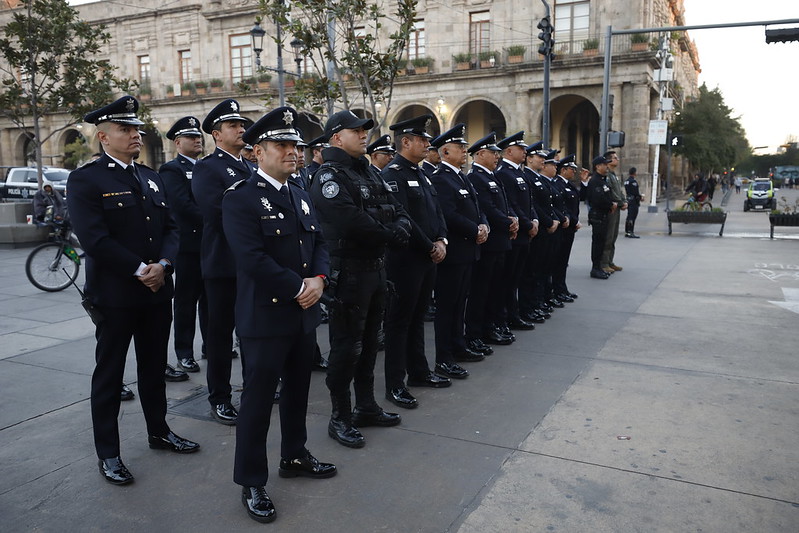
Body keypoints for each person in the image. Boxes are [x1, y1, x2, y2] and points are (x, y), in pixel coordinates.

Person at [66, 96, 200, 486]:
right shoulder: (86, 179)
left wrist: (165, 265)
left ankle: (159, 431)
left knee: (153, 370)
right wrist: (141, 269)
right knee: (109, 376)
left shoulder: (150, 176)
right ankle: (108, 452)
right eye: (125, 129)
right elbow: (94, 238)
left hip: (157, 292)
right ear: (103, 137)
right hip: (116, 296)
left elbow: (172, 228)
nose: (134, 135)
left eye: (136, 129)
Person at [223, 107, 336, 524]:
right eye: (283, 145)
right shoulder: (240, 198)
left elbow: (320, 242)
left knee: (298, 392)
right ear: (258, 152)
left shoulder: (300, 193)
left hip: (304, 312)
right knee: (257, 400)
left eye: (296, 145)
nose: (293, 152)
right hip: (266, 317)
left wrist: (320, 279)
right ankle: (251, 480)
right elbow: (250, 259)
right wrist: (298, 287)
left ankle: (294, 454)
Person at [309, 110, 410, 449]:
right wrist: (389, 234)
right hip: (348, 274)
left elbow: (395, 207)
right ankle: (340, 416)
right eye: (357, 131)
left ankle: (366, 405)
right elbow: (350, 219)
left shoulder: (367, 170)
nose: (364, 134)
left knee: (369, 343)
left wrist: (401, 228)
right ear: (337, 138)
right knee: (347, 347)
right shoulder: (329, 176)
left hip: (375, 270)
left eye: (365, 130)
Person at [381, 115, 450, 410]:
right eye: (422, 140)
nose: (427, 144)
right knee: (398, 323)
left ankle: (419, 372)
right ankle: (395, 383)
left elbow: (437, 213)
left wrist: (443, 239)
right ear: (405, 142)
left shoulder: (422, 173)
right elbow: (403, 218)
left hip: (427, 258)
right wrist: (429, 245)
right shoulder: (393, 175)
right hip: (406, 261)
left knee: (418, 319)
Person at [191, 99, 253, 426]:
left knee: (252, 329)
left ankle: (254, 387)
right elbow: (216, 213)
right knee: (220, 336)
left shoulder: (250, 166)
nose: (241, 129)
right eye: (233, 125)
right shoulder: (207, 168)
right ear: (217, 133)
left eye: (242, 124)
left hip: (251, 266)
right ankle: (220, 397)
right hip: (224, 265)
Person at [429, 124, 489, 373]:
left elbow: (476, 206)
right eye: (460, 147)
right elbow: (449, 215)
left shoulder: (461, 176)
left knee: (459, 304)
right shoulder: (441, 179)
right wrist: (474, 229)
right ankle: (444, 357)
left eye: (465, 147)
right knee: (447, 307)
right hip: (453, 254)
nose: (465, 151)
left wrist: (483, 224)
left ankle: (458, 345)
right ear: (445, 151)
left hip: (468, 252)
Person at [160, 116, 206, 376]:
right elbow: (182, 206)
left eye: (198, 136)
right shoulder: (172, 170)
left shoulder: (205, 167)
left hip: (210, 244)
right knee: (186, 302)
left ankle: (210, 346)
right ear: (178, 143)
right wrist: (216, 217)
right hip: (188, 246)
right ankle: (184, 352)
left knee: (210, 301)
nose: (197, 139)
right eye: (191, 137)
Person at [465, 132, 518, 352]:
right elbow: (487, 208)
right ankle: (478, 332)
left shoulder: (492, 176)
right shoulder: (476, 176)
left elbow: (504, 204)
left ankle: (492, 325)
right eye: (492, 153)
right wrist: (508, 222)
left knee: (496, 288)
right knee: (481, 291)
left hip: (500, 241)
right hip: (490, 243)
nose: (497, 157)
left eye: (497, 153)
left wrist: (512, 218)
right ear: (479, 154)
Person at [495, 132, 537, 332]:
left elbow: (528, 203)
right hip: (515, 234)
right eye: (521, 149)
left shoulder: (519, 172)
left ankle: (513, 314)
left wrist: (534, 219)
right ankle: (506, 317)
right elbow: (512, 204)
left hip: (524, 233)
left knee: (516, 278)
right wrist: (528, 224)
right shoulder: (504, 172)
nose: (525, 152)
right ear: (509, 151)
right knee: (507, 280)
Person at [551, 154, 580, 300]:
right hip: (564, 227)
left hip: (570, 227)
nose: (574, 172)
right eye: (571, 169)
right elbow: (563, 207)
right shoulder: (558, 184)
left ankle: (562, 288)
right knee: (559, 261)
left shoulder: (568, 184)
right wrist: (574, 221)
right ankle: (557, 290)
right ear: (563, 170)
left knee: (563, 261)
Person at [587, 155, 617, 280]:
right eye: (604, 164)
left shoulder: (603, 180)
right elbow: (598, 199)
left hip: (604, 215)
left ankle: (599, 267)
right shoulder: (595, 181)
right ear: (598, 167)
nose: (607, 166)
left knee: (602, 242)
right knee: (598, 243)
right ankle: (595, 268)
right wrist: (610, 204)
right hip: (598, 216)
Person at [600, 150, 626, 274]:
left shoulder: (614, 175)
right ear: (609, 161)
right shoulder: (607, 175)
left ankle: (610, 261)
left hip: (617, 208)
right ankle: (604, 263)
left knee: (614, 235)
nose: (617, 160)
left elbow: (619, 191)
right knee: (608, 236)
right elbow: (611, 192)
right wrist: (621, 202)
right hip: (612, 208)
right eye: (615, 158)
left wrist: (624, 200)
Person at [624, 166, 644, 239]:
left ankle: (627, 231)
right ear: (634, 173)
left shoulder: (626, 181)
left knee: (629, 216)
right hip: (634, 201)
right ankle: (630, 231)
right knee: (632, 217)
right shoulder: (633, 182)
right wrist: (640, 197)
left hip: (629, 200)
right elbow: (636, 192)